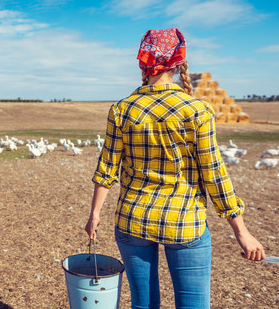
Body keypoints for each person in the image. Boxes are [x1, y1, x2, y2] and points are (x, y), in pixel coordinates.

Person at [84, 28, 265, 309]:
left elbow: (107, 167)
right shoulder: (197, 110)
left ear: (143, 62)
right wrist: (240, 230)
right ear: (179, 63)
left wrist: (94, 215)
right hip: (185, 222)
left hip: (133, 218)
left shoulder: (122, 109)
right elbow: (214, 173)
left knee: (143, 305)